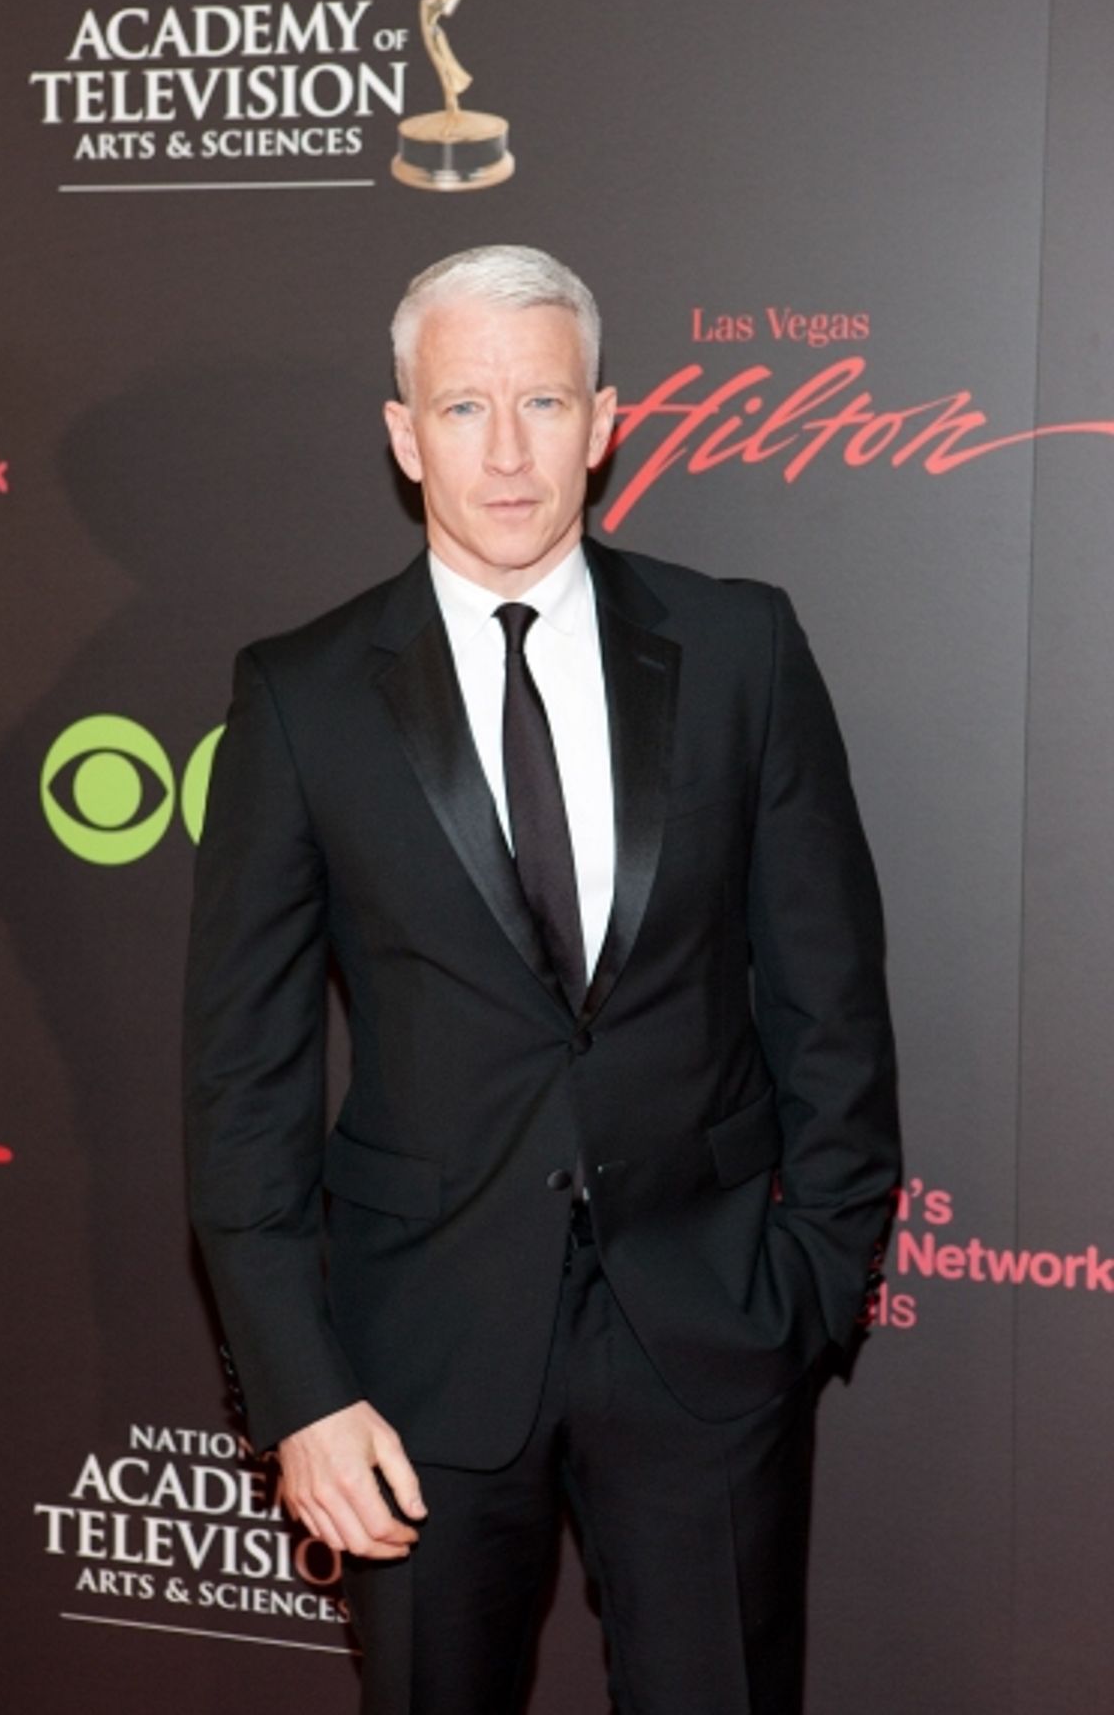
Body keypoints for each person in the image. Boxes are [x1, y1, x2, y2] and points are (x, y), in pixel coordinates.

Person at [184, 243, 900, 1715]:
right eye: (461, 409)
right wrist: (301, 1391)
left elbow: (831, 996)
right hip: (417, 1362)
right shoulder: (302, 694)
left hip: (709, 1336)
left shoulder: (738, 645)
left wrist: (812, 1287)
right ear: (402, 433)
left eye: (544, 403)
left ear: (607, 419)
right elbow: (241, 1083)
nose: (507, 453)